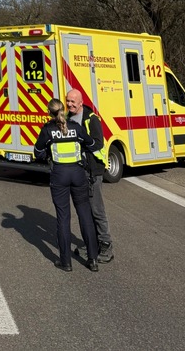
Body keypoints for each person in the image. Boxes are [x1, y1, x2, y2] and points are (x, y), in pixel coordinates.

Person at [34, 98, 100, 272]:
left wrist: (48, 152)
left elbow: (37, 152)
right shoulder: (76, 128)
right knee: (85, 215)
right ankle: (93, 259)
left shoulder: (48, 130)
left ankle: (66, 262)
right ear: (64, 110)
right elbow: (91, 144)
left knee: (63, 218)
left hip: (59, 175)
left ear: (49, 112)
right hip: (78, 174)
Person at [66, 89, 114, 262]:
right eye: (67, 101)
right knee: (85, 211)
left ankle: (106, 246)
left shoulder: (91, 119)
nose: (69, 104)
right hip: (77, 172)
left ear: (80, 102)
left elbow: (98, 143)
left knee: (97, 210)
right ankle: (91, 243)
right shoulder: (67, 118)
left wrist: (79, 141)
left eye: (72, 101)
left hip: (93, 171)